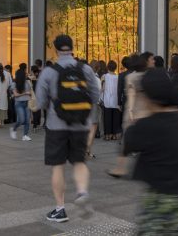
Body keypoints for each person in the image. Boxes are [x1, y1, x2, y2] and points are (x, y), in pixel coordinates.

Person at [123, 69, 178, 234]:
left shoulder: (147, 126)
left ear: (148, 96)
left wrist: (140, 113)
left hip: (162, 208)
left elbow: (128, 142)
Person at [35, 34, 101, 223]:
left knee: (58, 167)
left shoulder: (48, 72)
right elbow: (95, 96)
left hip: (56, 125)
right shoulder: (86, 69)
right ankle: (82, 193)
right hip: (80, 124)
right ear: (72, 48)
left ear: (55, 50)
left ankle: (60, 209)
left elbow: (40, 102)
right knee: (79, 162)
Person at [10, 69, 32, 141]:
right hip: (19, 103)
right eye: (25, 74)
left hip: (27, 102)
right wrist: (25, 93)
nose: (26, 75)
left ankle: (25, 135)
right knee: (21, 120)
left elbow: (30, 91)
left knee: (27, 120)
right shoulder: (14, 83)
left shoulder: (27, 82)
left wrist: (30, 93)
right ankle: (14, 129)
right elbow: (16, 95)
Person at [102, 61, 121, 141]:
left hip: (107, 99)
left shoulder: (104, 76)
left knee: (107, 117)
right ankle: (114, 135)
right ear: (115, 68)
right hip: (116, 99)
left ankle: (107, 135)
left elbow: (102, 88)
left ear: (107, 67)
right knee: (116, 118)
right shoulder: (118, 77)